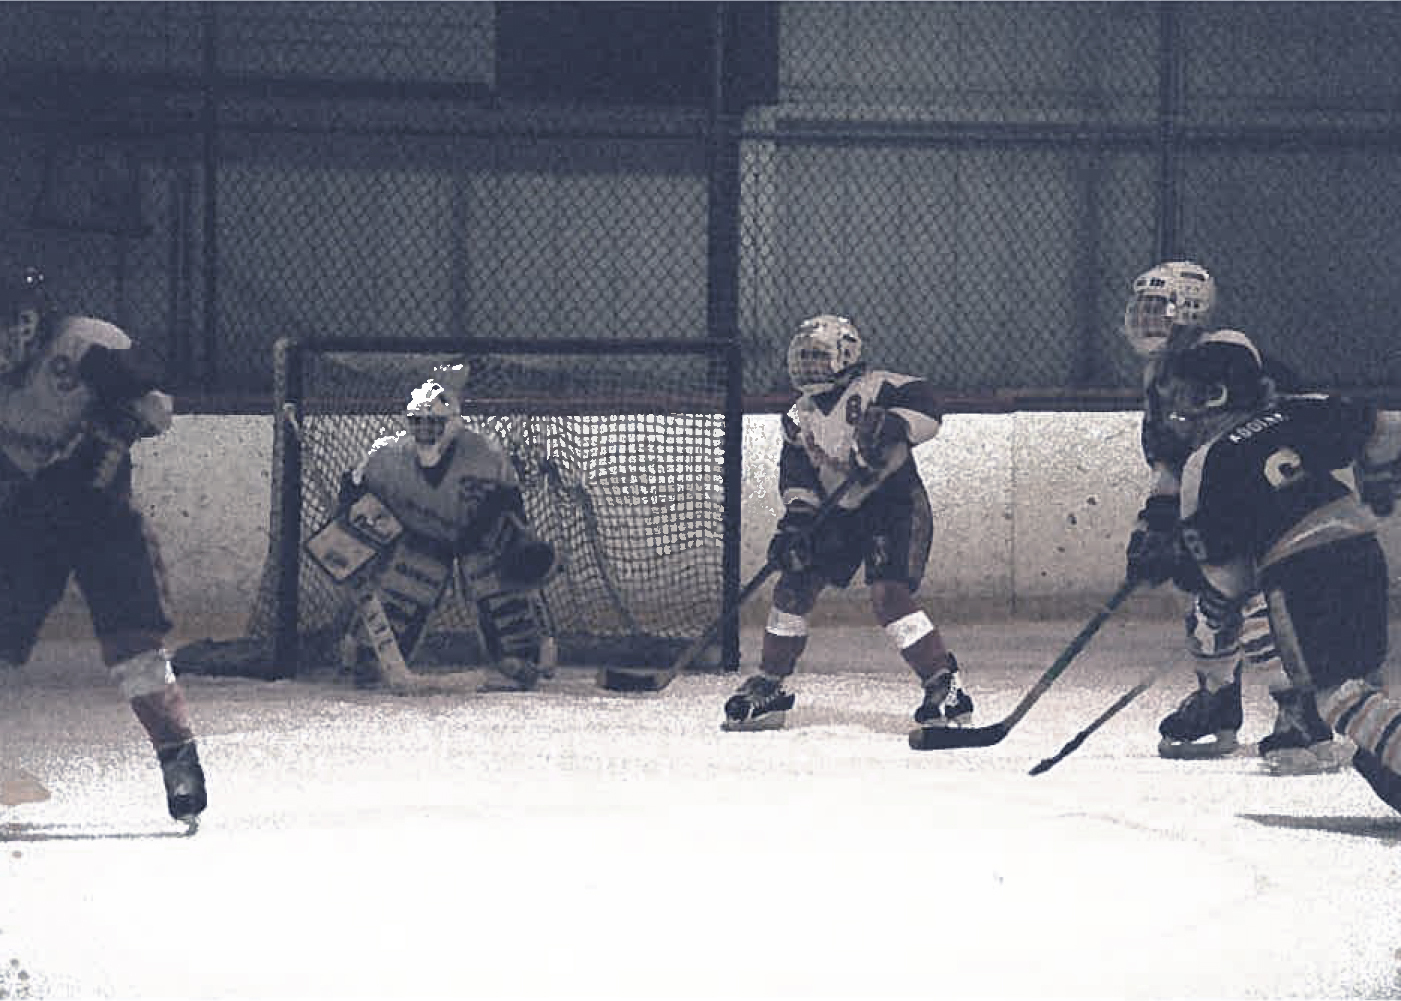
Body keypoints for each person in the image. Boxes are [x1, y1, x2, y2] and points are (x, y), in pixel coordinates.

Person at [1121, 261, 1350, 774]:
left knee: (1255, 602)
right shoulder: (1158, 373)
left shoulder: (1224, 350)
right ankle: (1218, 700)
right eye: (1141, 309)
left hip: (1263, 492)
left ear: (1190, 308)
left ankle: (1299, 711)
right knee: (1202, 590)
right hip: (1215, 484)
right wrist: (1155, 524)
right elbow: (1170, 457)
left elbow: (1238, 432)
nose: (1144, 320)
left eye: (1157, 309)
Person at [1160, 329, 1401, 813]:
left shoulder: (1204, 464)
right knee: (1364, 679)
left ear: (1215, 394)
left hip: (1299, 570)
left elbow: (1227, 577)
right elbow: (1386, 428)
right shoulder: (1299, 410)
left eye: (1189, 394)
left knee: (1337, 695)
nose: (1178, 409)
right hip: (1362, 549)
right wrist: (1377, 479)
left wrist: (1219, 610)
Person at [0, 266, 205, 830]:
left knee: (135, 649)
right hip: (24, 521)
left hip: (102, 519)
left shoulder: (83, 345)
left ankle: (178, 762)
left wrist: (113, 431)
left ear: (30, 323)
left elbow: (158, 407)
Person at [722, 314, 969, 732]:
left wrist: (895, 422)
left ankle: (944, 684)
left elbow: (928, 404)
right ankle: (769, 684)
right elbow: (796, 474)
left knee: (889, 597)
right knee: (793, 584)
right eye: (802, 359)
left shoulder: (876, 387)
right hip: (835, 511)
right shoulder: (798, 415)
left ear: (846, 356)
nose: (807, 368)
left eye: (817, 358)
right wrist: (797, 521)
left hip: (893, 504)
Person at [318, 376, 557, 690]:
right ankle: (370, 651)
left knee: (492, 568)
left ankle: (521, 650)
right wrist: (350, 539)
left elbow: (510, 507)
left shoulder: (484, 453)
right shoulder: (387, 458)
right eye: (418, 423)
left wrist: (511, 547)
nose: (425, 431)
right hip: (421, 538)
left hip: (477, 535)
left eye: (434, 424)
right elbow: (354, 491)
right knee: (412, 576)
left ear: (453, 424)